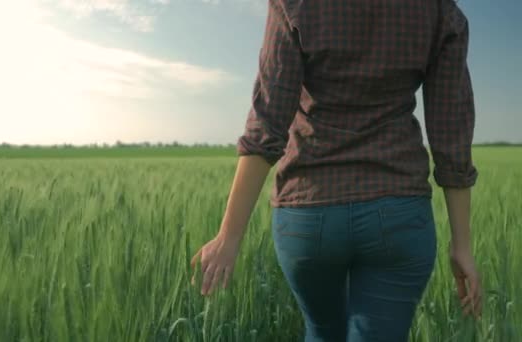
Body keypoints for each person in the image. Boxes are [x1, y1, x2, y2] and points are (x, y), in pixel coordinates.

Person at [190, 0, 482, 340]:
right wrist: (462, 244)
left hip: (308, 214)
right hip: (399, 211)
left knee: (322, 332)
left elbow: (267, 121)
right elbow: (452, 133)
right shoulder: (439, 9)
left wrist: (230, 237)